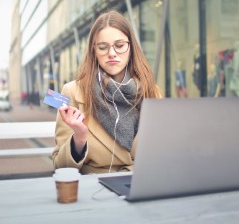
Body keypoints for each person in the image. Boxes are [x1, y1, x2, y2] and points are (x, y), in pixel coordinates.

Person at [52, 10, 162, 174]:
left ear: (131, 47)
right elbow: (59, 166)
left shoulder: (152, 91)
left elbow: (161, 150)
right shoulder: (71, 91)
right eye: (103, 47)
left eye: (119, 46)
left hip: (142, 183)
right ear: (94, 51)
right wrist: (79, 139)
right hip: (95, 189)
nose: (112, 53)